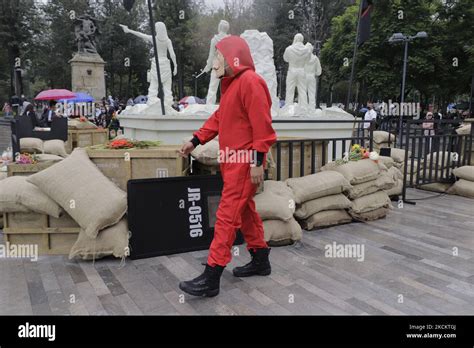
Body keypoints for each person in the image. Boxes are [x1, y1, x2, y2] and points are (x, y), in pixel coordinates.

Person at [178, 36, 277, 297]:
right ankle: (260, 259)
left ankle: (212, 274)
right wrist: (195, 140)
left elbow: (263, 127)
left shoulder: (251, 82)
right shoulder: (231, 86)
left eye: (217, 57)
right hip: (232, 162)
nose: (213, 63)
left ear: (233, 56)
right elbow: (220, 118)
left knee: (226, 215)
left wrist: (257, 162)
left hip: (245, 163)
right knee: (245, 212)